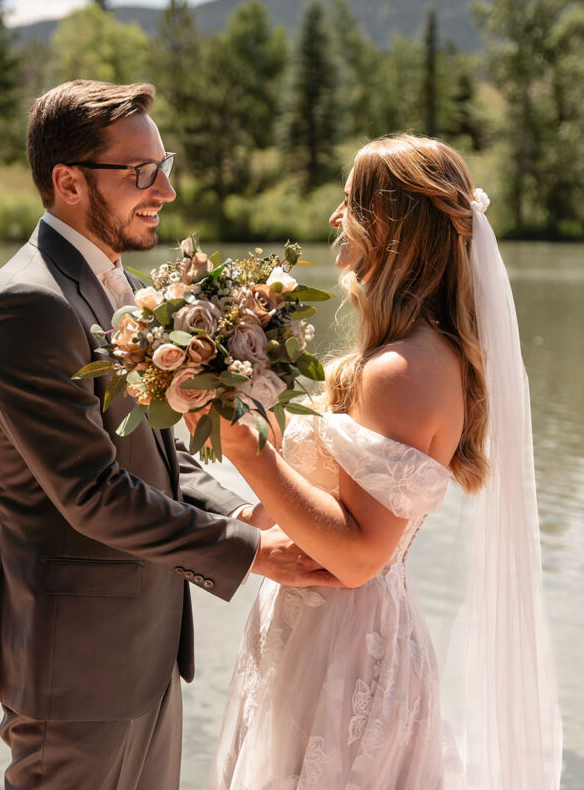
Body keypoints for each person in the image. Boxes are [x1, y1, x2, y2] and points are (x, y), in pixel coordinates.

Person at [0, 79, 338, 790]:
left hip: (144, 649)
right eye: (140, 172)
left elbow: (156, 456)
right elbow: (91, 492)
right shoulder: (28, 305)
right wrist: (254, 552)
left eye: (164, 166)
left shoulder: (120, 286)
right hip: (74, 667)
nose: (163, 190)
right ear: (67, 181)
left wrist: (240, 509)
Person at [204, 135, 562, 789]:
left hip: (340, 655)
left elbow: (358, 555)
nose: (336, 219)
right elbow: (333, 500)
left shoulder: (403, 371)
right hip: (323, 636)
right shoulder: (411, 356)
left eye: (349, 203)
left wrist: (246, 452)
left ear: (388, 226)